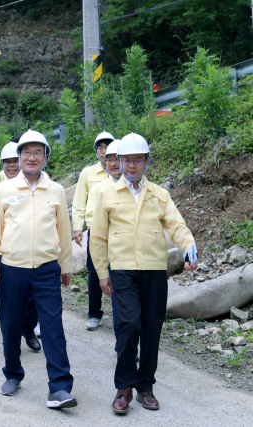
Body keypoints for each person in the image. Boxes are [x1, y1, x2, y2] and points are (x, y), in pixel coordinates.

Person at [90, 133, 198, 414]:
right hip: (123, 270)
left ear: (147, 161)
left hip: (153, 271)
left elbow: (176, 225)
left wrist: (188, 246)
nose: (132, 165)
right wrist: (102, 272)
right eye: (127, 160)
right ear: (119, 161)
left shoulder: (159, 194)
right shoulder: (106, 194)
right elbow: (98, 238)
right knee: (128, 325)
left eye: (138, 160)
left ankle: (145, 386)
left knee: (151, 328)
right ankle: (124, 386)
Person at [0, 129, 77, 408]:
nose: (31, 158)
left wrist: (65, 265)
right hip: (11, 268)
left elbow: (63, 231)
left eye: (37, 152)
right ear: (18, 156)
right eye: (26, 153)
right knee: (10, 325)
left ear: (46, 156)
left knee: (52, 327)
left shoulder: (56, 190)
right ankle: (12, 373)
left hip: (47, 269)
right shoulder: (1, 191)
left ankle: (59, 388)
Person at [0, 140, 42, 353]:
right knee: (7, 302)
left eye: (14, 161)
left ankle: (28, 330)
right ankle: (9, 337)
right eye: (7, 162)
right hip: (5, 256)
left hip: (34, 255)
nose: (11, 166)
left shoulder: (40, 186)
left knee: (33, 298)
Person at [72, 131, 114, 331]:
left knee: (118, 271)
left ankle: (121, 315)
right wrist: (77, 228)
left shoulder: (123, 170)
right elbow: (79, 203)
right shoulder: (88, 173)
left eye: (107, 146)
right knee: (94, 272)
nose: (104, 151)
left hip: (118, 232)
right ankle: (94, 314)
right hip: (96, 231)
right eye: (100, 147)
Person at [84, 139, 122, 342]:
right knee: (95, 275)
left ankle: (126, 336)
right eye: (109, 159)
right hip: (99, 236)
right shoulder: (98, 187)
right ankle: (94, 313)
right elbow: (89, 214)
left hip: (124, 247)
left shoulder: (135, 186)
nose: (114, 163)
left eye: (117, 158)